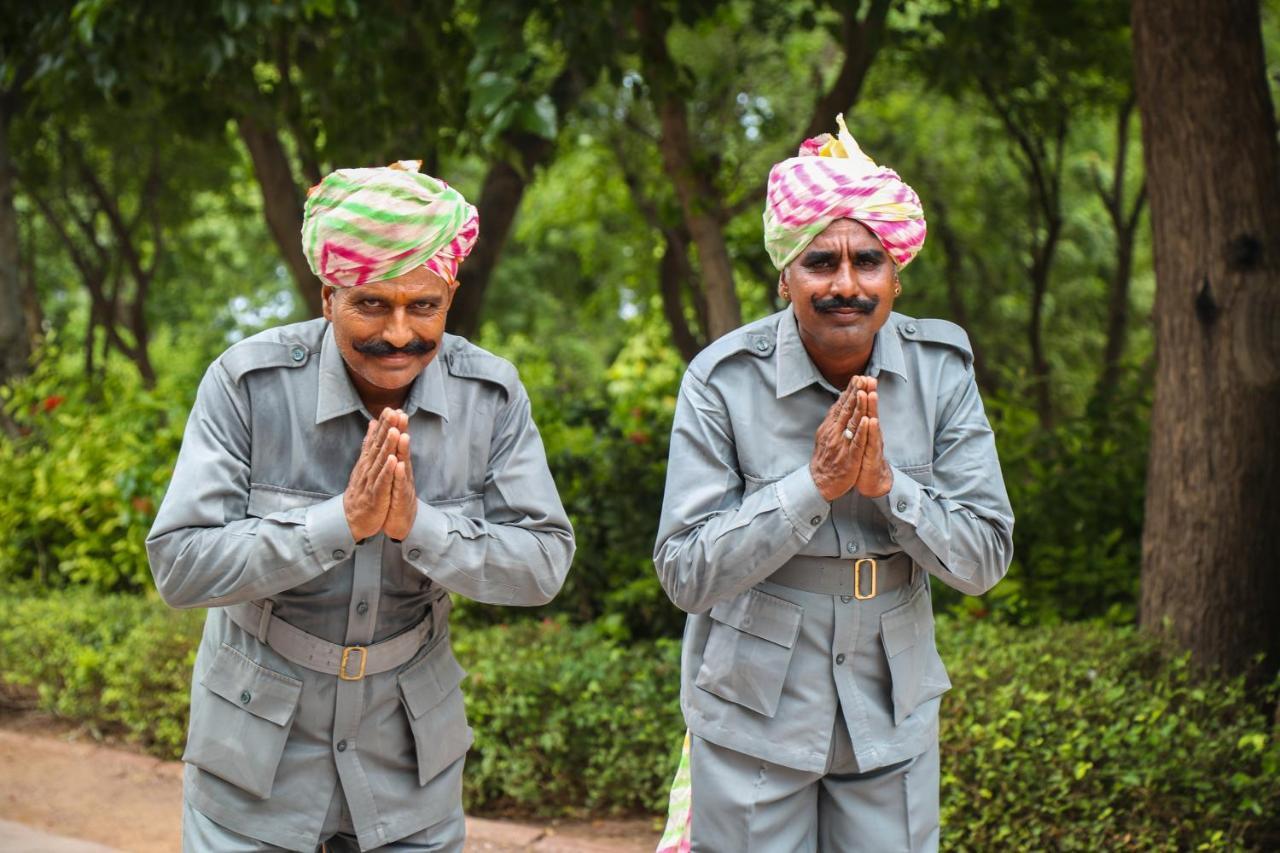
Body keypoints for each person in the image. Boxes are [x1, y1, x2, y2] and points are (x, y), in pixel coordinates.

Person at [147, 161, 575, 852]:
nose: (400, 333)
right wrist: (336, 524)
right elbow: (180, 564)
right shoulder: (247, 383)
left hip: (409, 771)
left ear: (452, 295)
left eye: (424, 306)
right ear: (328, 296)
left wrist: (420, 527)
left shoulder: (490, 396)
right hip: (254, 769)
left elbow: (544, 562)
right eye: (372, 304)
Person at [653, 117, 1014, 851]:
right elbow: (685, 570)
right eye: (820, 261)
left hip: (893, 708)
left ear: (895, 272)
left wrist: (889, 489)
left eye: (867, 260)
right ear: (785, 273)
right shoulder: (721, 380)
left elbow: (984, 558)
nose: (846, 283)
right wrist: (810, 487)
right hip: (753, 711)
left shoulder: (942, 369)